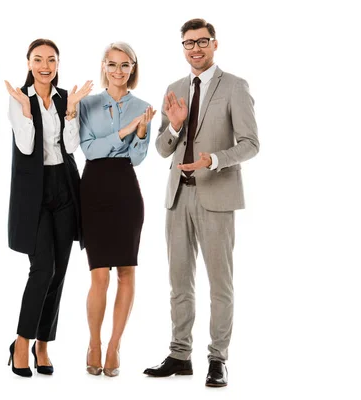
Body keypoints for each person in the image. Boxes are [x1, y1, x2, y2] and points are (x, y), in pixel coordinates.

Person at [143, 18, 260, 387]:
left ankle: (217, 358)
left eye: (202, 41)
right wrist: (175, 126)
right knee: (179, 281)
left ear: (215, 44)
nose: (195, 48)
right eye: (188, 43)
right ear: (182, 47)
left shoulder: (235, 87)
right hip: (178, 195)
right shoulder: (175, 88)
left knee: (219, 282)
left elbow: (251, 144)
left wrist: (215, 159)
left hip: (217, 194)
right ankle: (180, 355)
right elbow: (162, 149)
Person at [5, 39, 93, 378]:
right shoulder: (19, 98)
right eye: (38, 59)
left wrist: (71, 109)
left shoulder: (63, 98)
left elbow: (71, 146)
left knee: (59, 271)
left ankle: (43, 343)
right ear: (28, 63)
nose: (45, 65)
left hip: (65, 187)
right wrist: (27, 113)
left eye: (51, 59)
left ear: (58, 63)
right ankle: (21, 341)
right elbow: (26, 146)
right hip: (34, 193)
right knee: (42, 269)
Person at [79, 42, 156, 377]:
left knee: (127, 271)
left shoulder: (143, 106)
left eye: (126, 65)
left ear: (133, 68)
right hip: (93, 188)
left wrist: (140, 132)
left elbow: (137, 157)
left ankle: (114, 345)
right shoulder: (87, 104)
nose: (119, 71)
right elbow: (88, 149)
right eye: (113, 64)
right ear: (104, 66)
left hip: (126, 190)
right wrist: (124, 132)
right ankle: (94, 342)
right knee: (98, 274)